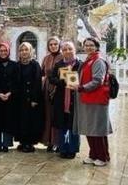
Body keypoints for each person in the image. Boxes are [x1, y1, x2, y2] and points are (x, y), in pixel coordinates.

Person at [75, 37, 113, 166]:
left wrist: (82, 88)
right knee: (90, 128)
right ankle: (93, 155)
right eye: (86, 45)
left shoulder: (98, 61)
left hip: (97, 99)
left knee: (98, 129)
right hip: (88, 98)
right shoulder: (88, 60)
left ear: (96, 47)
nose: (88, 47)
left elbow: (98, 80)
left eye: (91, 45)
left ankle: (102, 157)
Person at [48, 41, 81, 159]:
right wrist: (62, 81)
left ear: (74, 50)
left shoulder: (80, 64)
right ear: (62, 52)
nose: (67, 51)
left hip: (75, 99)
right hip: (61, 98)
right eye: (65, 49)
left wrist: (77, 82)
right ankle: (63, 148)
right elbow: (51, 78)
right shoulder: (59, 64)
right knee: (62, 125)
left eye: (70, 49)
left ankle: (72, 149)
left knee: (73, 125)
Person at [15, 42, 43, 153]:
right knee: (20, 120)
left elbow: (37, 82)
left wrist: (34, 99)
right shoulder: (17, 65)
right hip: (20, 97)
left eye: (26, 50)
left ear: (31, 51)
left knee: (30, 121)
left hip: (31, 97)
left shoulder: (35, 65)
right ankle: (22, 141)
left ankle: (29, 143)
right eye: (22, 50)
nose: (24, 52)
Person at [39, 36, 64, 151]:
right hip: (46, 89)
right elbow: (42, 73)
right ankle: (48, 141)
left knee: (56, 116)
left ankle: (57, 142)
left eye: (55, 44)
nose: (53, 46)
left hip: (59, 89)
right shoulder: (46, 58)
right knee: (48, 115)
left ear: (59, 45)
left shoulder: (63, 57)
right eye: (51, 44)